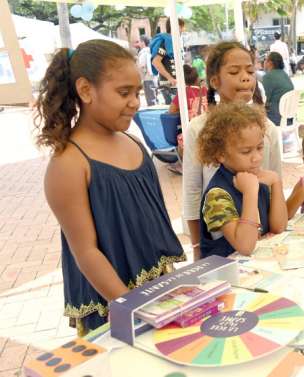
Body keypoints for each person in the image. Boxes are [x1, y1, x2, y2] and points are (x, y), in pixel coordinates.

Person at [34, 40, 186, 336]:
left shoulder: (134, 144)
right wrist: (135, 308)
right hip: (112, 304)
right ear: (86, 90)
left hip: (159, 294)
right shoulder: (69, 164)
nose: (135, 102)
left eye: (138, 92)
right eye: (124, 93)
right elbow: (86, 252)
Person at [183, 41, 282, 261]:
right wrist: (197, 247)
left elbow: (275, 185)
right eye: (235, 71)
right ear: (215, 80)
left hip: (260, 244)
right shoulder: (198, 128)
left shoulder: (268, 129)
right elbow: (192, 191)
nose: (246, 77)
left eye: (250, 70)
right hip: (224, 243)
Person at [197, 103, 287, 258]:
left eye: (259, 148)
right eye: (246, 151)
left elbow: (279, 227)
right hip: (225, 275)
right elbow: (245, 247)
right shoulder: (216, 196)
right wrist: (250, 192)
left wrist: (276, 183)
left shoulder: (256, 177)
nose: (257, 158)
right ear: (221, 154)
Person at [150, 18, 186, 104]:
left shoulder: (174, 41)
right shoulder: (165, 41)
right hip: (169, 84)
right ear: (176, 27)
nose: (183, 30)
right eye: (181, 27)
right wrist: (169, 78)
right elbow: (156, 61)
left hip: (176, 83)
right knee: (175, 112)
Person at [262, 52, 294, 126]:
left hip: (276, 117)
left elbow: (264, 100)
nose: (264, 62)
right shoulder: (284, 74)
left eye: (265, 59)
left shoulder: (268, 77)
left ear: (270, 63)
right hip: (289, 117)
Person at [136, 36, 157, 106]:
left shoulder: (143, 52)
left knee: (151, 100)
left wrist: (140, 77)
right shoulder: (151, 50)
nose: (138, 43)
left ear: (143, 42)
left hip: (146, 77)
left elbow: (142, 65)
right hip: (154, 76)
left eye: (139, 41)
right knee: (154, 98)